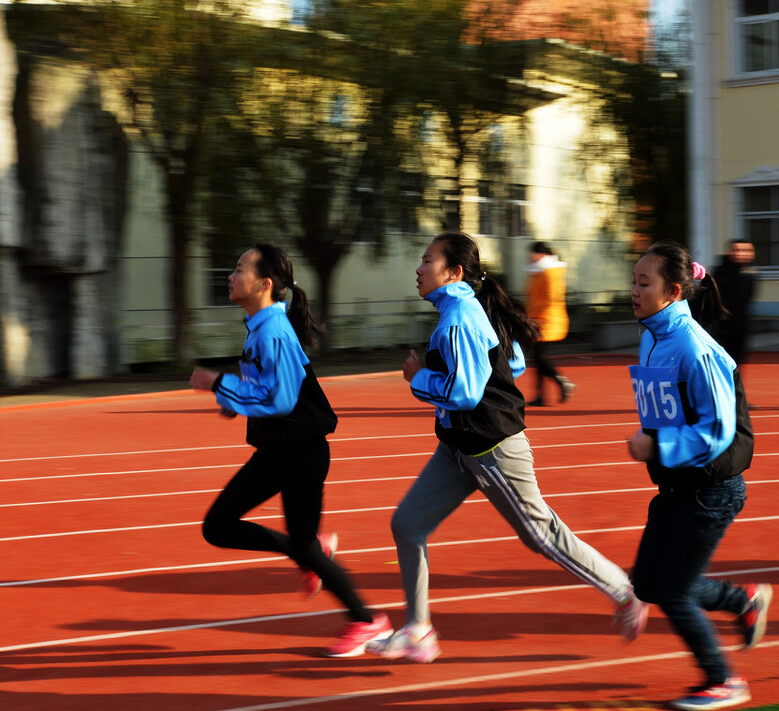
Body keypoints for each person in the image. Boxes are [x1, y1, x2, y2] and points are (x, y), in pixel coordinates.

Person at [367, 231, 648, 663]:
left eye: (427, 261)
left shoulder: (460, 317)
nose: (418, 269)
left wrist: (417, 378)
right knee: (407, 524)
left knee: (542, 535)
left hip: (492, 451)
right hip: (459, 450)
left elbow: (464, 393)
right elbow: (513, 360)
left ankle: (625, 592)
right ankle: (418, 631)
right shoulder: (465, 310)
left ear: (454, 272)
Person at [189, 243, 392, 657]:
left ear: (264, 284)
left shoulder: (274, 330)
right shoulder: (261, 325)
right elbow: (265, 389)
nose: (230, 276)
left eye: (239, 268)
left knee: (303, 546)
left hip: (300, 453)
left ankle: (367, 620)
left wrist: (218, 384)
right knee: (219, 527)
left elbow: (280, 400)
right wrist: (233, 401)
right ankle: (311, 552)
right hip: (277, 450)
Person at [626, 241, 768, 711]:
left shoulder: (696, 347)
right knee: (647, 582)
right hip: (675, 484)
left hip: (711, 488)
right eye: (634, 280)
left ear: (671, 291)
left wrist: (659, 445)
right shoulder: (652, 335)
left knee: (674, 591)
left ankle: (724, 679)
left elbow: (718, 431)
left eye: (644, 283)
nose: (634, 290)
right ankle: (741, 600)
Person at [524, 240, 575, 406]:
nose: (530, 256)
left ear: (542, 254)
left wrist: (533, 313)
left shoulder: (550, 272)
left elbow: (551, 298)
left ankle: (562, 381)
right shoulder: (538, 272)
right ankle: (541, 396)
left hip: (548, 320)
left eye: (533, 252)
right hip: (538, 320)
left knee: (540, 357)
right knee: (537, 357)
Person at [711, 240, 758, 368]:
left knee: (737, 365)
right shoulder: (719, 272)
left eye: (746, 251)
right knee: (721, 363)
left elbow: (746, 300)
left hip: (741, 328)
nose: (741, 254)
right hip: (722, 328)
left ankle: (733, 388)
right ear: (730, 252)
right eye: (737, 250)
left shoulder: (751, 273)